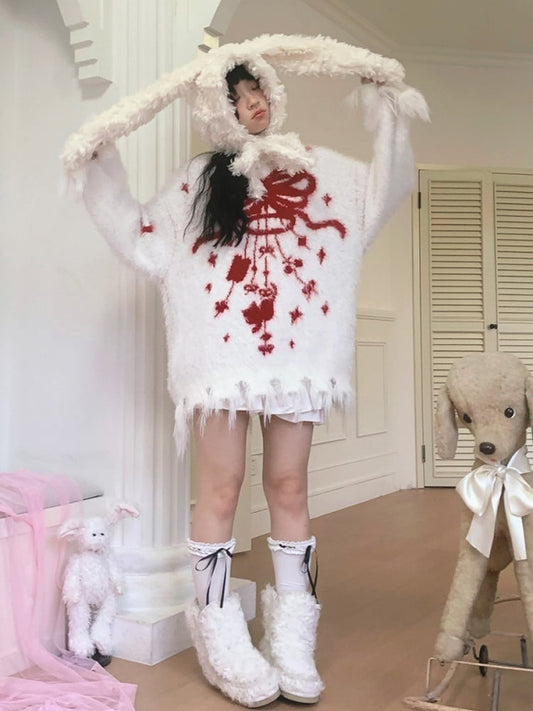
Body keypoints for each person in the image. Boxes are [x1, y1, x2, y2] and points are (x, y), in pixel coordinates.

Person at [67, 34, 428, 708]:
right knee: (222, 486)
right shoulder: (196, 183)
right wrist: (100, 164)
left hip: (298, 359)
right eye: (234, 96)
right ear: (216, 109)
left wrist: (388, 114)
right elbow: (143, 239)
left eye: (256, 87)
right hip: (220, 362)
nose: (251, 102)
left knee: (289, 485)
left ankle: (293, 633)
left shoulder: (317, 168)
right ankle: (217, 632)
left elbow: (383, 189)